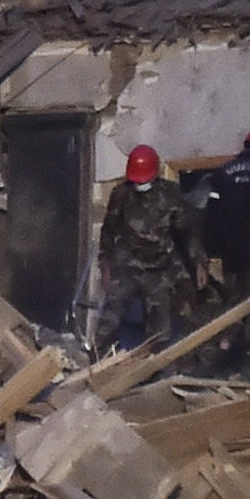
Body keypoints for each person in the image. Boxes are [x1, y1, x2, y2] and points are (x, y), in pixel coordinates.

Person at [94, 145, 187, 350]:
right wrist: (105, 263)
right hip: (126, 264)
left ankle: (155, 369)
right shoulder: (121, 194)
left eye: (143, 180)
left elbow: (185, 232)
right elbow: (108, 230)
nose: (139, 184)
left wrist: (194, 263)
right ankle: (93, 357)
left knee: (161, 325)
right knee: (111, 316)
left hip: (159, 267)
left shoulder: (171, 194)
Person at [201, 129, 250, 324]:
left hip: (230, 250)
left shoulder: (222, 172)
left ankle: (229, 346)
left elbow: (212, 212)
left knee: (234, 304)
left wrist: (212, 248)